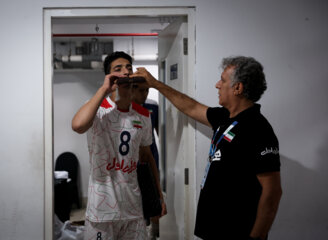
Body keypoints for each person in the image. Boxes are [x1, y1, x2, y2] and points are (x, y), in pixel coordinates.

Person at [131, 56, 282, 240]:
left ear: (238, 88)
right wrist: (155, 84)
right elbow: (191, 106)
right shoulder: (225, 117)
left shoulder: (258, 128)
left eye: (223, 80)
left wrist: (255, 237)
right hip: (215, 228)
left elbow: (272, 192)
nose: (217, 85)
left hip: (237, 231)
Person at [72, 51, 166, 240]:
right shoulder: (96, 108)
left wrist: (158, 197)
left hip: (133, 208)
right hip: (102, 209)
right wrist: (104, 89)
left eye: (129, 68)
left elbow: (147, 158)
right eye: (118, 69)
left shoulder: (143, 115)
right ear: (109, 76)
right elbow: (78, 125)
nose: (125, 72)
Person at [132, 84, 160, 239]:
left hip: (150, 153)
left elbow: (159, 131)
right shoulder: (125, 108)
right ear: (132, 89)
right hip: (131, 157)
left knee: (151, 191)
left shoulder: (152, 106)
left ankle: (152, 228)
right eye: (141, 90)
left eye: (147, 90)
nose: (144, 93)